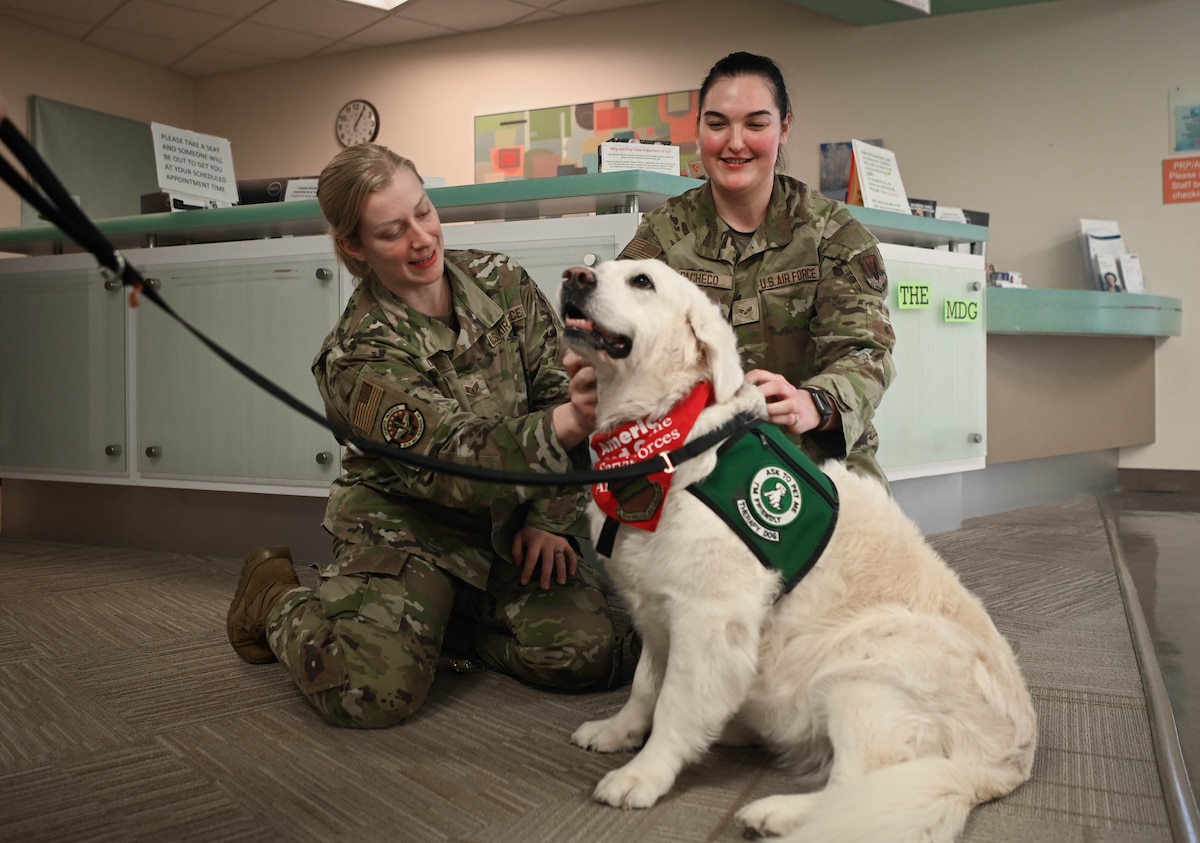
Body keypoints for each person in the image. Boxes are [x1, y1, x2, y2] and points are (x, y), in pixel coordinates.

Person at [227, 143, 618, 728]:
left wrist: (549, 519)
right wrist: (571, 423)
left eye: (425, 212)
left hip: (512, 520)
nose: (422, 239)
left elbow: (555, 391)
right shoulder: (360, 353)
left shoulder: (503, 281)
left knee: (586, 656)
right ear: (354, 247)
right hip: (409, 524)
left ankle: (443, 627)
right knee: (366, 692)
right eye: (392, 231)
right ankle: (275, 598)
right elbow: (450, 458)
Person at [618, 52, 896, 488]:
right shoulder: (662, 240)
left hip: (817, 460)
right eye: (717, 124)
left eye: (755, 123)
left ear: (784, 127)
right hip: (701, 461)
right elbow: (617, 342)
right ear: (698, 130)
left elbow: (864, 353)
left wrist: (814, 403)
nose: (734, 143)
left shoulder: (833, 235)